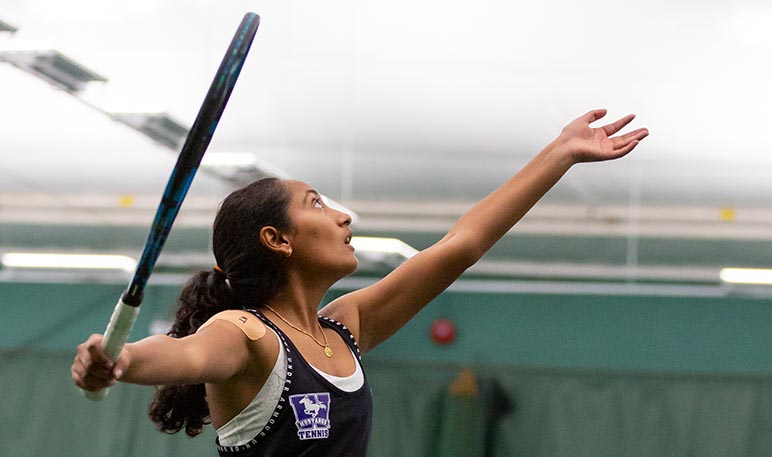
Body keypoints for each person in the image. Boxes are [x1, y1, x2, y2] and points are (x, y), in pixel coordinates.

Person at [72, 109, 648, 456]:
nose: (343, 217)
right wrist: (119, 361)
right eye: (317, 203)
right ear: (279, 239)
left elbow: (461, 246)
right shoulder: (245, 334)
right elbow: (185, 356)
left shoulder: (343, 329)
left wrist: (562, 152)